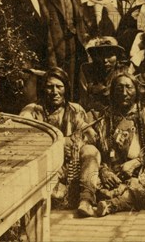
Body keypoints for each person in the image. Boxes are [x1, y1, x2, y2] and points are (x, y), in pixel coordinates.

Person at [19, 68, 101, 217]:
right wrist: (61, 144)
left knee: (91, 151)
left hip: (71, 165)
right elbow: (25, 140)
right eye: (50, 87)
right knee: (54, 195)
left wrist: (77, 142)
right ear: (43, 89)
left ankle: (86, 200)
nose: (54, 91)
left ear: (66, 89)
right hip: (44, 165)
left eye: (59, 87)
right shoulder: (32, 111)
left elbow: (91, 136)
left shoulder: (75, 110)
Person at [93, 73, 145, 216]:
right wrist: (104, 171)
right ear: (112, 92)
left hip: (144, 171)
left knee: (143, 187)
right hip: (114, 173)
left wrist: (137, 162)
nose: (124, 93)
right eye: (119, 88)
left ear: (136, 90)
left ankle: (114, 204)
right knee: (98, 187)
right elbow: (98, 151)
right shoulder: (105, 117)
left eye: (128, 87)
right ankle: (120, 197)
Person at [0, 0, 54, 113]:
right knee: (20, 110)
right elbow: (7, 32)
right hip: (21, 66)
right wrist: (20, 66)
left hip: (40, 64)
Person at [79, 36, 130, 118]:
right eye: (101, 55)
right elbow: (84, 98)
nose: (105, 60)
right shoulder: (87, 70)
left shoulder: (123, 71)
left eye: (109, 55)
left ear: (117, 56)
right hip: (93, 113)